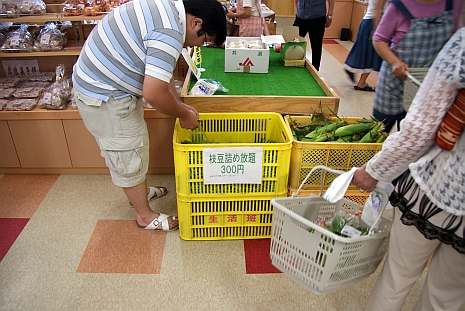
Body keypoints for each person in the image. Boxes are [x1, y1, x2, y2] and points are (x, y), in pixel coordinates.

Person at [72, 0, 227, 231]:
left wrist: (181, 107)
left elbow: (161, 83)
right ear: (196, 23)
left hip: (110, 84)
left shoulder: (168, 10)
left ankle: (139, 192)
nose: (198, 45)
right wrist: (183, 115)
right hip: (105, 95)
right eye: (203, 39)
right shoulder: (170, 33)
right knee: (128, 152)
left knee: (134, 146)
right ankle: (144, 216)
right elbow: (154, 93)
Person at [352, 27, 465, 311]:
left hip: (436, 183)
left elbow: (418, 130)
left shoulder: (463, 44)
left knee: (397, 278)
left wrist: (374, 171)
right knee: (447, 296)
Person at [371, 0, 464, 133]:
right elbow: (379, 39)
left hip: (426, 85)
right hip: (394, 83)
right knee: (379, 130)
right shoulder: (399, 5)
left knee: (412, 134)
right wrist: (395, 62)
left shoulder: (454, 3)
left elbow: (455, 39)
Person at [343, 0, 386, 92]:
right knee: (371, 53)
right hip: (374, 22)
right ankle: (361, 81)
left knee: (364, 50)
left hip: (368, 20)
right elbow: (378, 9)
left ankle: (353, 69)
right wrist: (376, 29)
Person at [291, 0, 335, 71]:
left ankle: (315, 70)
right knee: (292, 41)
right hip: (300, 17)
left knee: (316, 47)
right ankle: (293, 66)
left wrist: (329, 15)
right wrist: (298, 10)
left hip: (317, 18)